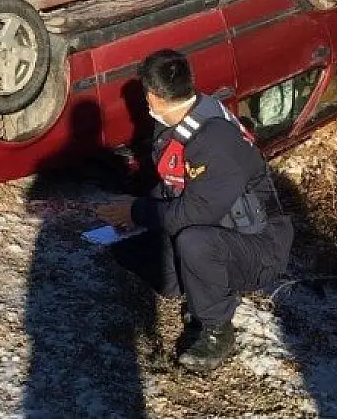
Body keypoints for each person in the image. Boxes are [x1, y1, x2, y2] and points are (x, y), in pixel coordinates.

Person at [98, 49, 294, 372]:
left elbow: (193, 212)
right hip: (221, 225)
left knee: (193, 244)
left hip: (260, 245)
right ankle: (198, 287)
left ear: (153, 97)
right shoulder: (181, 118)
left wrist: (137, 212)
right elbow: (172, 183)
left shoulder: (213, 138)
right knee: (139, 258)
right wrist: (132, 212)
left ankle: (217, 330)